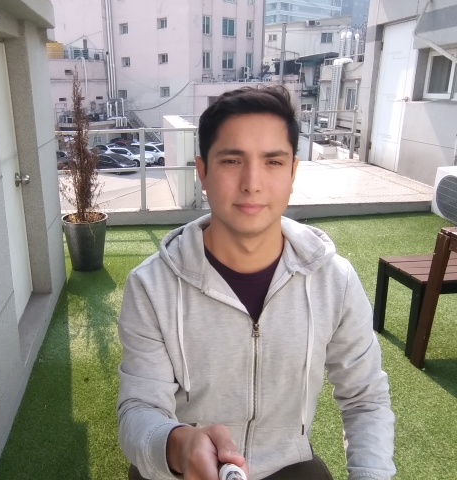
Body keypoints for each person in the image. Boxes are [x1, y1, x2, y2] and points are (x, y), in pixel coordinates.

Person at [116, 86, 395, 480]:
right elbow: (139, 410)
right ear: (203, 172)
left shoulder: (334, 280)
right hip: (180, 469)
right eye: (232, 160)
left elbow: (365, 399)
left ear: (293, 173)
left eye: (273, 162)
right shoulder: (151, 287)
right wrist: (179, 446)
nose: (252, 182)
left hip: (286, 464)